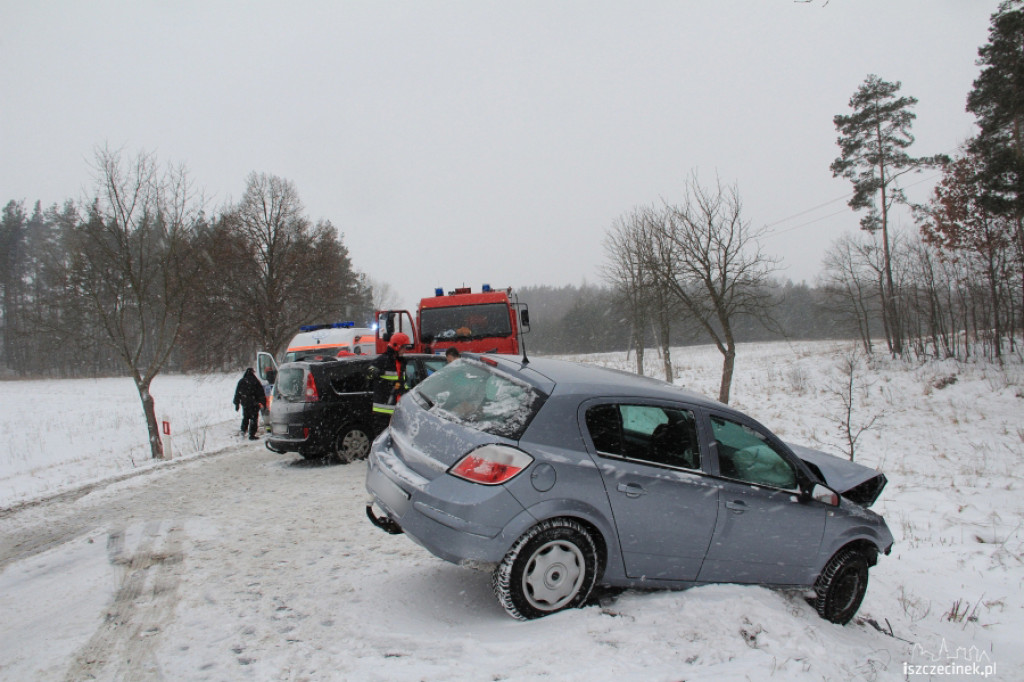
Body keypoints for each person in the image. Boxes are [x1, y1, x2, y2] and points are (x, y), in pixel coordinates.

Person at [371, 331, 409, 435]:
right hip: (383, 411)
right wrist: (377, 372)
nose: (405, 350)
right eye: (404, 347)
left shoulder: (402, 363)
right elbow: (368, 372)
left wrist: (407, 392)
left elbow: (402, 382)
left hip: (396, 409)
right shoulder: (382, 360)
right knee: (382, 437)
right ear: (397, 346)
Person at [233, 367, 267, 440]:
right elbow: (261, 393)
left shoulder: (241, 381)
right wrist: (263, 403)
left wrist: (237, 404)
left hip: (245, 403)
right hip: (254, 403)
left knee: (245, 417)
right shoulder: (255, 381)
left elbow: (237, 393)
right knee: (254, 419)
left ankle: (243, 431)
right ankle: (252, 435)